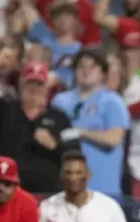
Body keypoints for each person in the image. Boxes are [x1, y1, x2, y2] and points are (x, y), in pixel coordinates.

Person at [0, 48, 80, 194]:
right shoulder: (7, 110)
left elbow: (75, 152)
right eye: (30, 83)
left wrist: (55, 146)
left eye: (39, 84)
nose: (34, 89)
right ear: (21, 85)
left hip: (48, 194)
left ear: (46, 88)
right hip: (10, 192)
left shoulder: (60, 117)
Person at [51, 49, 131, 197]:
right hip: (64, 187)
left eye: (93, 67)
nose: (86, 71)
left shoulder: (113, 102)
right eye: (81, 66)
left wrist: (82, 133)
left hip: (103, 188)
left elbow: (114, 138)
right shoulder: (60, 101)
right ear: (74, 71)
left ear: (103, 73)